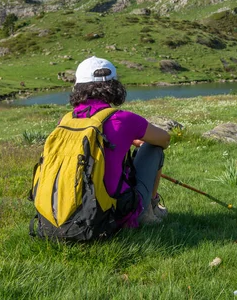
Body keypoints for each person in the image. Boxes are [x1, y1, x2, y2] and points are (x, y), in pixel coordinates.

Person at [70, 56, 171, 227]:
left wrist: (127, 139)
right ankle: (149, 209)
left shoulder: (67, 120)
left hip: (70, 214)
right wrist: (135, 138)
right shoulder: (123, 119)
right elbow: (164, 139)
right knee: (154, 148)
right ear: (114, 86)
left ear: (78, 87)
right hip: (112, 215)